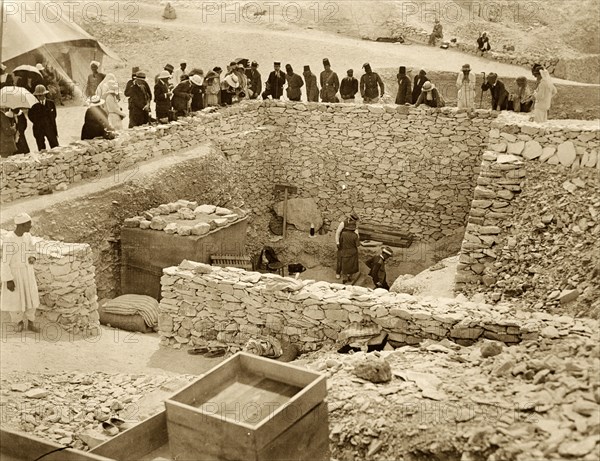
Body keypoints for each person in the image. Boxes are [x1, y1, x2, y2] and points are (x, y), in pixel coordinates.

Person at [1, 213, 40, 333]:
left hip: (27, 272)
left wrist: (33, 257)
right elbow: (5, 261)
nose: (30, 227)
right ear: (21, 225)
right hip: (15, 274)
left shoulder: (27, 236)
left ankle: (31, 322)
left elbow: (32, 248)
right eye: (28, 225)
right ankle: (18, 322)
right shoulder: (9, 239)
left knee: (31, 297)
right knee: (15, 299)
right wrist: (8, 279)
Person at [28, 85, 59, 151]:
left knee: (55, 147)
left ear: (44, 94)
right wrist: (38, 122)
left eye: (41, 95)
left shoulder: (51, 103)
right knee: (41, 149)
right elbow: (31, 117)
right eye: (37, 96)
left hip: (50, 128)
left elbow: (54, 115)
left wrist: (48, 123)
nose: (39, 97)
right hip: (39, 129)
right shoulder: (33, 105)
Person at [335, 213, 359, 279]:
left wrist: (356, 237)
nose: (355, 222)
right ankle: (338, 272)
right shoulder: (343, 223)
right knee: (340, 258)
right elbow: (337, 233)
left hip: (349, 244)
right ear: (350, 219)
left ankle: (348, 273)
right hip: (342, 243)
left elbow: (357, 234)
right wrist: (337, 242)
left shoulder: (355, 225)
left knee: (349, 259)